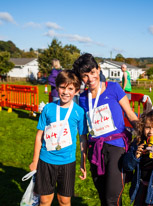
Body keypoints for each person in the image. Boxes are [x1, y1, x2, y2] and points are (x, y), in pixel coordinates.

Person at [73, 53, 138, 206]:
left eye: (93, 72)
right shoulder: (82, 98)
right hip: (95, 149)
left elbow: (130, 114)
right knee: (103, 197)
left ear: (98, 69)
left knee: (112, 198)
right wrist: (83, 160)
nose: (90, 78)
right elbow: (83, 134)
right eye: (85, 76)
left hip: (117, 148)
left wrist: (145, 133)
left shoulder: (114, 88)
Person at [29, 70, 88, 206]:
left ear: (76, 91)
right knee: (44, 200)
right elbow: (39, 136)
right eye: (62, 87)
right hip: (46, 160)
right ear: (56, 87)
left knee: (64, 200)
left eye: (70, 89)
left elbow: (83, 139)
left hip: (67, 162)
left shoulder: (79, 112)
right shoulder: (48, 108)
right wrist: (34, 161)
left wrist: (83, 163)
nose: (65, 92)